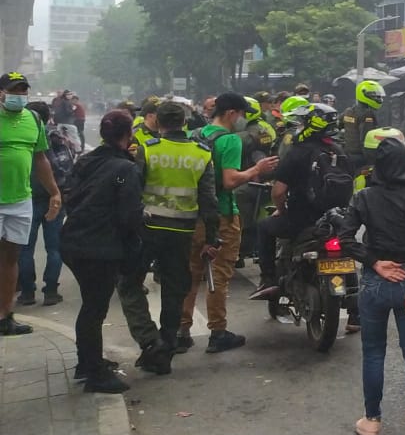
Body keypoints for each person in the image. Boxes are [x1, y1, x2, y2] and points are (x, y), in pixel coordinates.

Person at [341, 138, 405, 435]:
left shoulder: (363, 197)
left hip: (374, 284)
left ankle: (371, 421)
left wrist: (375, 263)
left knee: (373, 353)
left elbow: (346, 238)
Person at [116, 102, 219, 374]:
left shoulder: (147, 149)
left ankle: (150, 340)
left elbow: (132, 191)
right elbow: (209, 200)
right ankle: (168, 344)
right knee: (175, 290)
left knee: (128, 283)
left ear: (158, 123)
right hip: (182, 233)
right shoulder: (201, 153)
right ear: (184, 122)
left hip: (148, 229)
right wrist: (212, 238)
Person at [179, 93, 278, 353]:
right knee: (219, 276)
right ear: (231, 113)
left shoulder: (195, 135)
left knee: (191, 275)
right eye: (242, 114)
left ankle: (181, 330)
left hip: (193, 215)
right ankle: (218, 331)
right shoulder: (230, 140)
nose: (242, 120)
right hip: (222, 214)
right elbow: (230, 181)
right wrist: (258, 170)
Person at [59, 110, 143, 393]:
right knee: (94, 309)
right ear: (127, 135)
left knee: (91, 305)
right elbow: (127, 214)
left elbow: (70, 193)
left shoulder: (87, 160)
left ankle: (88, 363)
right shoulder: (125, 170)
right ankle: (93, 374)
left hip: (74, 241)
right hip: (97, 247)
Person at [251, 104, 346, 299]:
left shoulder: (296, 152)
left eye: (302, 123)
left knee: (264, 227)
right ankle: (354, 313)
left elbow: (278, 192)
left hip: (301, 219)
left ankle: (268, 279)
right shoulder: (339, 151)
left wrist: (281, 210)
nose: (299, 127)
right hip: (337, 219)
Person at [0, 72, 63, 336]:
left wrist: (54, 192)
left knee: (11, 258)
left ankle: (5, 315)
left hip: (20, 200)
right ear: (1, 92)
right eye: (15, 90)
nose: (20, 95)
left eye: (24, 91)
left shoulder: (33, 119)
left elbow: (40, 159)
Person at [17, 101, 74, 306]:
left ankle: (27, 292)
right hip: (54, 196)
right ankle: (50, 291)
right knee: (54, 248)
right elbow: (68, 165)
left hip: (27, 197)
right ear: (48, 116)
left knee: (25, 248)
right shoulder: (58, 137)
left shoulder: (21, 134)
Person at [234, 97, 277, 264]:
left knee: (239, 212)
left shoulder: (248, 134)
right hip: (253, 178)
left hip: (247, 180)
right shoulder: (260, 129)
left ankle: (240, 249)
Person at [342, 81, 385, 169]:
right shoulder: (367, 114)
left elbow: (338, 125)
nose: (378, 98)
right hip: (361, 156)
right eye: (373, 96)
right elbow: (365, 138)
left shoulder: (348, 111)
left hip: (347, 152)